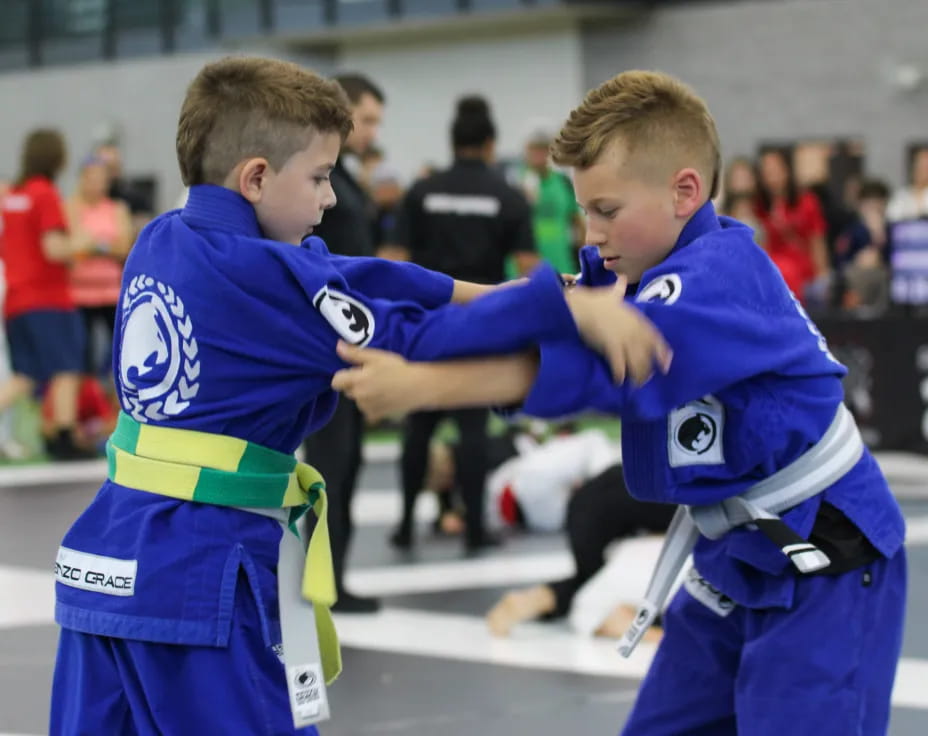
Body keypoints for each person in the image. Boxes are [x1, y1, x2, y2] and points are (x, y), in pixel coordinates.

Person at [49, 56, 669, 736]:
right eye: (318, 177)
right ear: (256, 176)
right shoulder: (269, 282)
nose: (332, 197)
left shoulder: (162, 240)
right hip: (197, 580)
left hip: (104, 567)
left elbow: (359, 277)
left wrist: (521, 293)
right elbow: (416, 335)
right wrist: (565, 311)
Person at [331, 70, 906, 736]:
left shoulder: (718, 275)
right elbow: (531, 306)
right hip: (732, 552)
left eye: (606, 210)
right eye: (584, 211)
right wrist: (399, 318)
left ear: (684, 192)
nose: (591, 231)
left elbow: (604, 369)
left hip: (825, 555)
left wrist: (424, 386)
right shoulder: (637, 263)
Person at [388, 95, 540, 552]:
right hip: (482, 322)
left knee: (420, 425)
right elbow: (531, 269)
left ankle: (404, 524)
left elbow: (392, 261)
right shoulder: (507, 195)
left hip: (429, 322)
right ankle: (474, 530)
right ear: (490, 145)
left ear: (453, 142)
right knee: (473, 429)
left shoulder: (422, 192)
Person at [300, 73, 387, 614]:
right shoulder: (326, 181)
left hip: (350, 333)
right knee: (333, 462)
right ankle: (322, 581)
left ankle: (331, 576)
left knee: (347, 460)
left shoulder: (346, 178)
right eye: (368, 118)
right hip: (331, 339)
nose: (373, 130)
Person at [0, 129, 94, 460]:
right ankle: (63, 439)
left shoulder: (12, 196)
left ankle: (59, 436)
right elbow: (53, 248)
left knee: (25, 376)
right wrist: (82, 243)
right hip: (48, 298)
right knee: (66, 367)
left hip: (16, 300)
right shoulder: (44, 194)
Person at [66, 155, 133, 380]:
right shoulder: (70, 207)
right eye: (92, 179)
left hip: (110, 292)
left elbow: (123, 247)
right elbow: (73, 246)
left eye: (101, 180)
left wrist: (93, 244)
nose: (97, 185)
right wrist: (105, 244)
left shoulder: (117, 209)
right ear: (82, 179)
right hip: (78, 294)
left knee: (120, 350)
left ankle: (110, 400)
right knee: (82, 354)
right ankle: (86, 402)